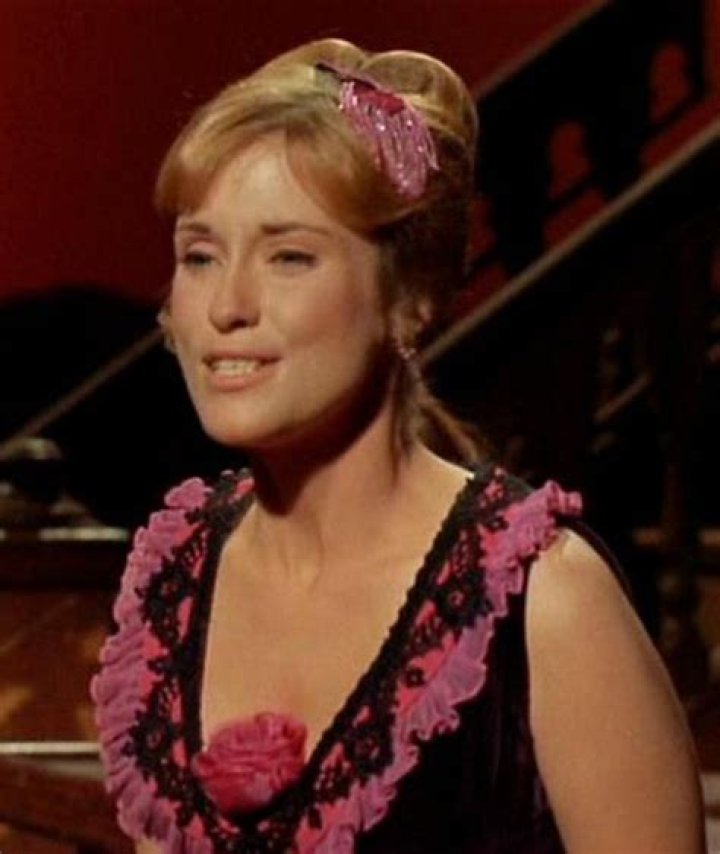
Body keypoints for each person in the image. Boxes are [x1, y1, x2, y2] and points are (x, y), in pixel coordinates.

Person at [91, 39, 705, 853]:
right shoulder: (177, 581)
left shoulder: (545, 598)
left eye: (289, 257)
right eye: (200, 256)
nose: (226, 306)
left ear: (408, 298)